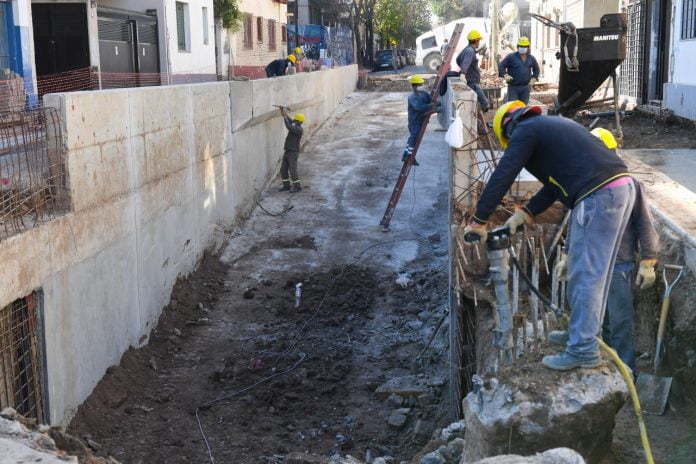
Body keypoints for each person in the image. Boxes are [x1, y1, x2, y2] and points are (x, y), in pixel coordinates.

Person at [463, 100, 636, 371]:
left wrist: (479, 221)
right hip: (616, 189)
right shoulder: (549, 127)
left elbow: (503, 174)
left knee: (587, 275)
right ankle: (582, 335)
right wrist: (526, 213)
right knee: (588, 272)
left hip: (598, 196)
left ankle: (583, 349)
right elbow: (555, 186)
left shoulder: (526, 130)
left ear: (507, 128)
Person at [552, 127, 660, 374]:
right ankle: (604, 365)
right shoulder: (586, 185)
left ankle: (626, 371)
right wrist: (568, 254)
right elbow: (577, 223)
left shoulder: (629, 184)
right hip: (591, 265)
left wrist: (648, 259)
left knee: (620, 323)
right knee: (596, 321)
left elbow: (645, 223)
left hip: (619, 265)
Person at [403, 74, 436, 166]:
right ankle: (408, 156)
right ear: (413, 86)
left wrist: (437, 104)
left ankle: (409, 155)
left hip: (421, 119)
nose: (420, 86)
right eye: (418, 84)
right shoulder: (412, 97)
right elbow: (418, 108)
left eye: (421, 84)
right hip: (414, 121)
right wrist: (431, 106)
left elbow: (432, 100)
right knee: (414, 137)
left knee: (415, 138)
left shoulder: (424, 94)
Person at [498, 37, 540, 104]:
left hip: (526, 88)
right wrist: (505, 75)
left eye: (524, 46)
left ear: (528, 47)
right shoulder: (511, 57)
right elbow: (501, 66)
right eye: (521, 46)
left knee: (523, 107)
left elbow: (536, 69)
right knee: (513, 107)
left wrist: (534, 78)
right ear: (518, 47)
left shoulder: (531, 58)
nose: (522, 47)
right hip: (513, 87)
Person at [456, 30, 489, 112]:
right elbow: (466, 63)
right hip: (472, 83)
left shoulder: (467, 49)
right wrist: (463, 73)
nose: (479, 42)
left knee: (476, 103)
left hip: (472, 81)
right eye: (479, 40)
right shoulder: (470, 51)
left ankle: (477, 121)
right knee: (485, 104)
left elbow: (458, 59)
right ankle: (478, 122)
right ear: (476, 40)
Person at [279, 108, 305, 192]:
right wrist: (285, 114)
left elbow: (288, 126)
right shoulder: (295, 125)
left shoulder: (298, 129)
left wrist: (284, 117)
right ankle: (286, 186)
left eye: (296, 120)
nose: (294, 121)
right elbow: (291, 122)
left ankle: (297, 187)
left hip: (293, 153)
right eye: (295, 119)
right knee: (283, 170)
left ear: (300, 122)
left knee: (292, 170)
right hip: (288, 151)